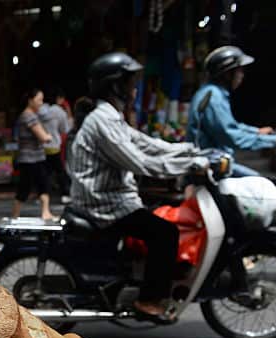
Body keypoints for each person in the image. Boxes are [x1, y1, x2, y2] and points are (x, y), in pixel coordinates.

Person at [67, 52, 209, 323]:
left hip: (114, 199)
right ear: (114, 86)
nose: (134, 89)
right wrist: (188, 166)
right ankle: (148, 300)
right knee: (165, 232)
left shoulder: (111, 117)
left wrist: (190, 151)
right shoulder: (101, 121)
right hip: (103, 204)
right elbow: (139, 161)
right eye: (129, 82)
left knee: (161, 217)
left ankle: (139, 280)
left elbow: (147, 144)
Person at [186, 45, 276, 177]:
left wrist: (256, 132)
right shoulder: (214, 97)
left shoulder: (211, 92)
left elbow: (230, 126)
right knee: (260, 185)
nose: (242, 75)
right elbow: (232, 137)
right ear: (227, 74)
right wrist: (274, 140)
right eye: (239, 71)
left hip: (214, 160)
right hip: (209, 164)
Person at [13, 88, 55, 221]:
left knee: (42, 184)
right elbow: (43, 137)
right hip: (30, 158)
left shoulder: (29, 115)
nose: (41, 103)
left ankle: (45, 212)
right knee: (26, 188)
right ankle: (15, 215)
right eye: (39, 100)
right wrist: (49, 136)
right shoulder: (29, 116)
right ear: (30, 101)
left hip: (34, 158)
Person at [39, 91, 72, 201]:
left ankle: (43, 194)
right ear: (58, 99)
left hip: (40, 147)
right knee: (60, 172)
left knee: (44, 173)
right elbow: (65, 129)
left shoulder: (38, 109)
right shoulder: (59, 112)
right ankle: (65, 193)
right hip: (53, 145)